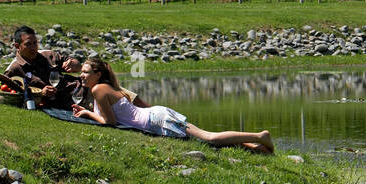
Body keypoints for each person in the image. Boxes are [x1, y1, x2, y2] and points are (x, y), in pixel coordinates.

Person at [72, 55, 275, 153]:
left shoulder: (99, 89)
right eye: (81, 71)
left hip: (155, 120)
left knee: (209, 138)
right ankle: (256, 148)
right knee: (204, 139)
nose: (81, 75)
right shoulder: (106, 87)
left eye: (85, 72)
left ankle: (259, 136)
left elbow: (110, 122)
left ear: (97, 74)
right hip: (156, 115)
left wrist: (89, 114)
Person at [5, 26, 83, 111]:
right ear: (17, 46)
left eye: (35, 43)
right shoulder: (14, 69)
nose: (33, 47)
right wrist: (40, 93)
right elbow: (11, 94)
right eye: (28, 44)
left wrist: (73, 64)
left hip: (77, 91)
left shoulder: (48, 55)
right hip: (61, 103)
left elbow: (78, 67)